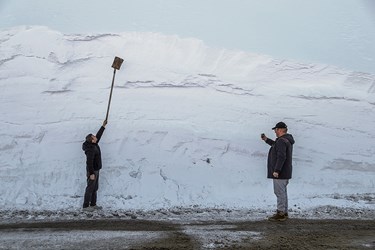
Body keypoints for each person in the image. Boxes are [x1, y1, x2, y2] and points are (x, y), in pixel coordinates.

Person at [261, 122, 295, 221]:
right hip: (285, 172)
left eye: (275, 130)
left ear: (280, 130)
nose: (275, 132)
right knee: (283, 192)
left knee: (279, 192)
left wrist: (277, 170)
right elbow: (275, 145)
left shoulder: (281, 141)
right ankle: (284, 212)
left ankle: (281, 213)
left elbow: (281, 156)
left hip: (280, 173)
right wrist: (266, 140)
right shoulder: (286, 140)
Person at [82, 120, 107, 211]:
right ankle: (85, 206)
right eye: (94, 137)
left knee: (95, 188)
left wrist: (103, 126)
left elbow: (99, 135)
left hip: (96, 170)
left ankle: (93, 204)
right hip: (92, 171)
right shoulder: (91, 149)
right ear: (92, 140)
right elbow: (89, 162)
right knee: (90, 188)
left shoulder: (94, 144)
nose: (95, 137)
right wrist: (91, 173)